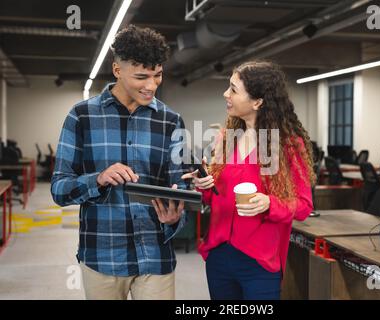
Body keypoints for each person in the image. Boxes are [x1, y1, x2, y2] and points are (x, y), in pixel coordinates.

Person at [51, 25, 186, 300]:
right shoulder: (82, 117)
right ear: (117, 70)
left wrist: (176, 215)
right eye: (141, 77)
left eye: (157, 75)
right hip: (103, 256)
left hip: (155, 255)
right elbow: (59, 189)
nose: (151, 85)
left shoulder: (171, 121)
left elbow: (179, 185)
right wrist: (97, 179)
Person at [182, 61, 314, 300]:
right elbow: (214, 197)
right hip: (219, 255)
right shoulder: (226, 138)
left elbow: (304, 206)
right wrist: (203, 185)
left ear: (257, 102)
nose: (226, 94)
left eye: (233, 89)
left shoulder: (287, 145)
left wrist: (270, 204)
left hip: (259, 261)